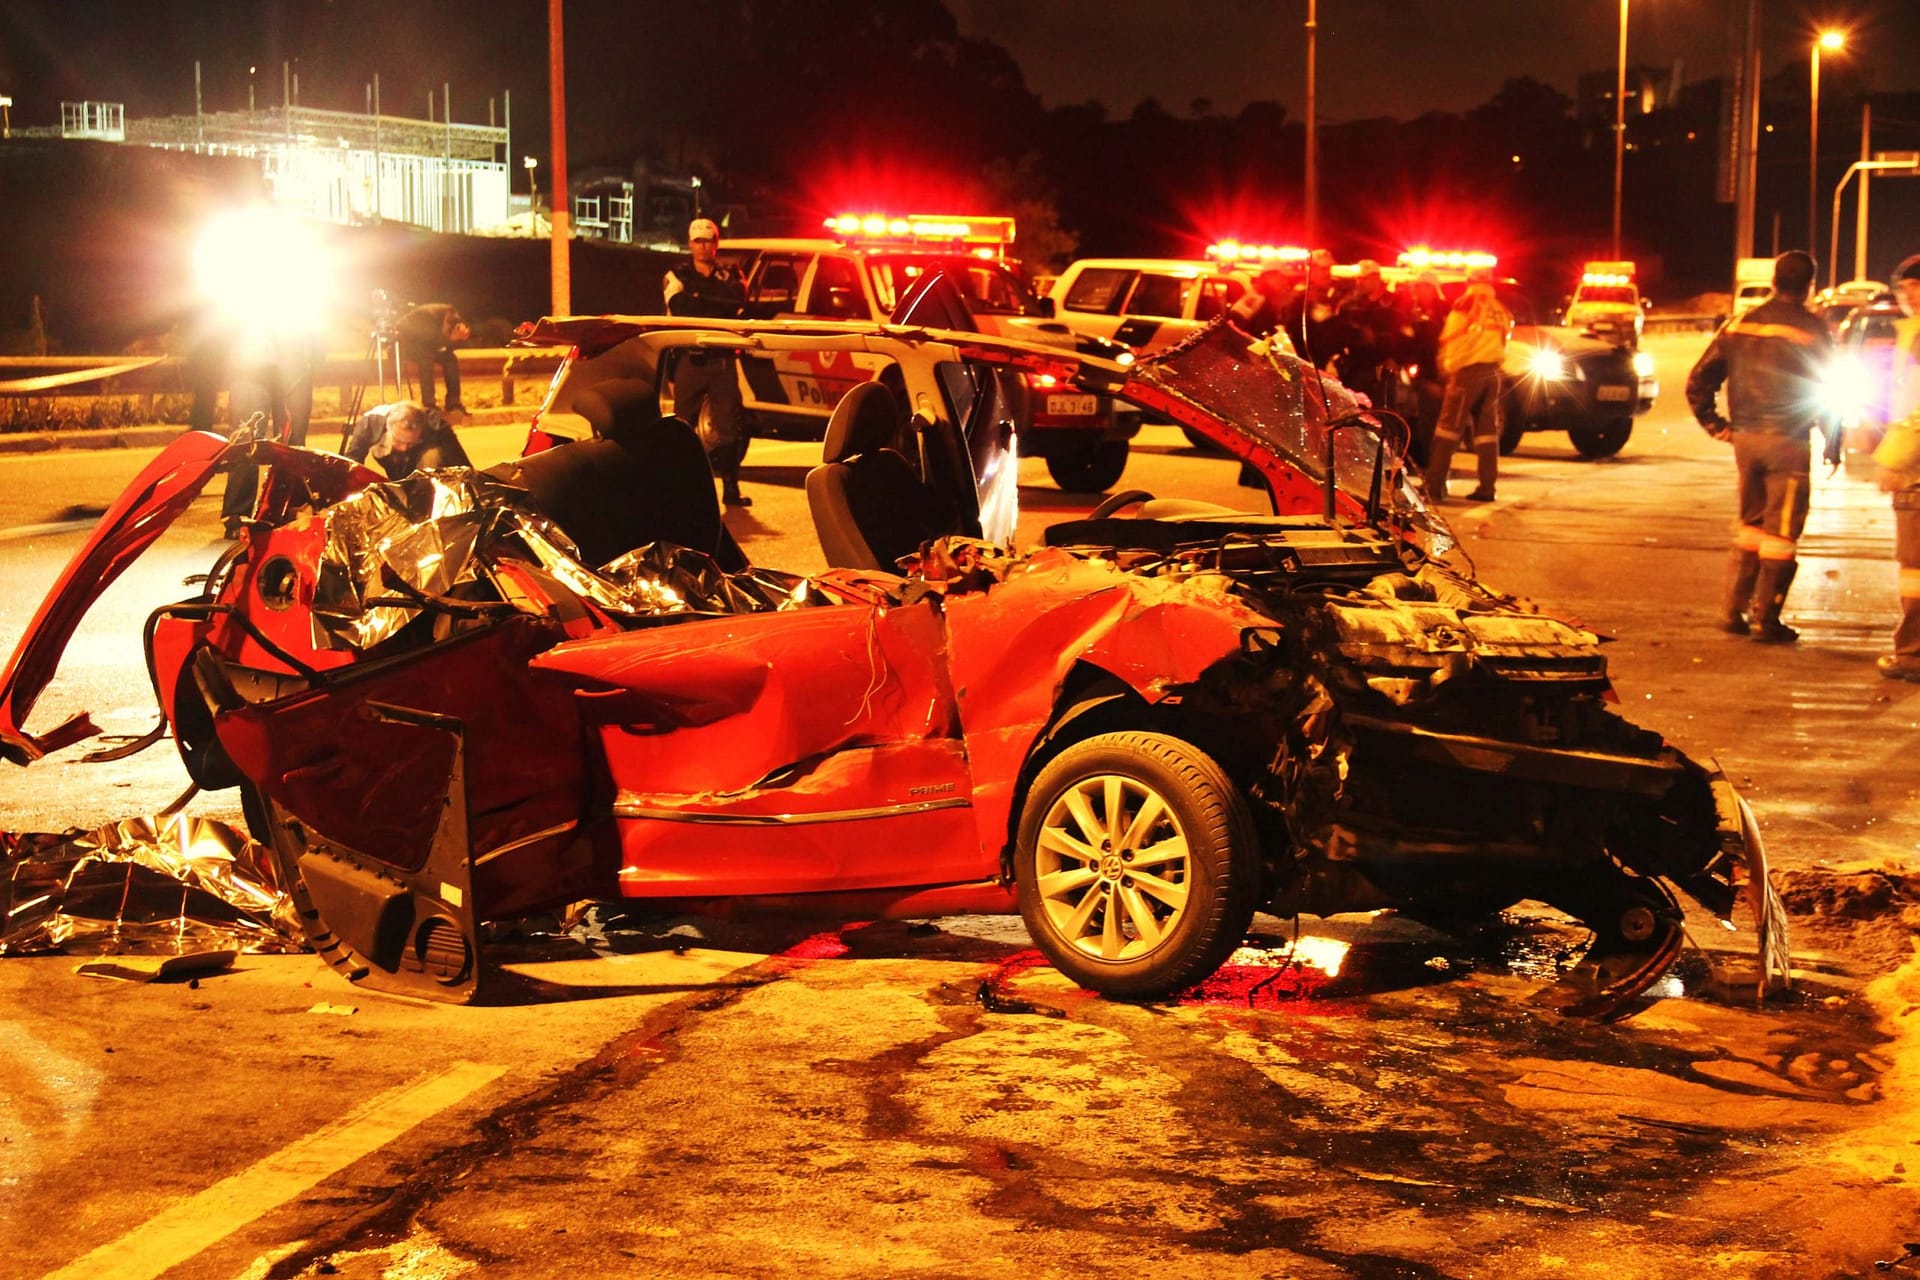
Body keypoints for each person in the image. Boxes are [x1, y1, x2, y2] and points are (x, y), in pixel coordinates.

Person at [1685, 250, 1833, 643]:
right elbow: (1829, 391)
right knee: (1781, 532)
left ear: (1774, 281)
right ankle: (1766, 618)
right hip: (1788, 440)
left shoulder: (1739, 325)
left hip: (1746, 440)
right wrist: (1833, 441)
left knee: (1750, 525)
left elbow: (1699, 378)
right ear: (1809, 285)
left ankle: (1732, 610)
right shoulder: (1813, 329)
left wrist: (1715, 424)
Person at [662, 216, 753, 507]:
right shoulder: (676, 274)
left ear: (717, 243)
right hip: (688, 358)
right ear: (690, 244)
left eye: (708, 240)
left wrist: (700, 297)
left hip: (722, 358)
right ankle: (681, 487)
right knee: (682, 427)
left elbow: (737, 302)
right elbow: (679, 307)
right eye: (698, 241)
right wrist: (715, 302)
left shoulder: (732, 273)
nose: (703, 247)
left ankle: (730, 489)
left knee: (728, 427)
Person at [1422, 265, 1512, 503]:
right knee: (1486, 433)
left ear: (1468, 281)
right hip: (1493, 372)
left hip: (1468, 373)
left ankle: (1434, 484)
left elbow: (1450, 338)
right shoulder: (1499, 309)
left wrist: (1447, 367)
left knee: (1448, 428)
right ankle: (1487, 487)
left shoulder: (1465, 305)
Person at [1871, 254, 1920, 681]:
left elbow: (1914, 412)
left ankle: (1912, 654)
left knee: (1915, 567)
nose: (1910, 295)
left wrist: (1891, 462)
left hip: (1916, 475)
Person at [342, 400, 471, 480]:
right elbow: (351, 463)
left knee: (432, 455)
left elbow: (462, 463)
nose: (404, 448)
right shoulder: (369, 424)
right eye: (399, 442)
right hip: (394, 467)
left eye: (411, 443)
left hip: (423, 468)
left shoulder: (436, 426)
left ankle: (427, 502)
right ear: (389, 427)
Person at [1333, 259, 1395, 406]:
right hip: (1355, 367)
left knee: (1382, 410)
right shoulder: (1349, 303)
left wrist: (1380, 342)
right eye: (1358, 278)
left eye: (1364, 278)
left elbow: (1398, 334)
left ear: (1376, 278)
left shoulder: (1394, 301)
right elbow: (1339, 331)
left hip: (1382, 367)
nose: (1359, 282)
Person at [396, 302, 470, 417]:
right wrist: (450, 338)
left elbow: (446, 346)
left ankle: (453, 403)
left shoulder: (454, 320)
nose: (446, 330)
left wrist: (460, 338)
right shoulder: (428, 316)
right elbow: (427, 341)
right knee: (426, 359)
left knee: (451, 359)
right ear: (446, 318)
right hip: (408, 344)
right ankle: (429, 405)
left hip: (428, 347)